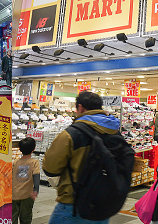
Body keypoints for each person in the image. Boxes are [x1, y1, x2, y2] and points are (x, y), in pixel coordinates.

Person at [41, 91, 122, 224]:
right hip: (102, 204)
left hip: (73, 204)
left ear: (80, 108)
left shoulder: (71, 134)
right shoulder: (114, 132)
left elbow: (50, 169)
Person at [13, 137, 40, 224]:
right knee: (26, 218)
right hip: (27, 196)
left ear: (20, 149)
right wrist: (36, 190)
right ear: (33, 149)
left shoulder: (15, 162)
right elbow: (36, 176)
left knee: (13, 218)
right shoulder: (34, 162)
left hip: (13, 195)